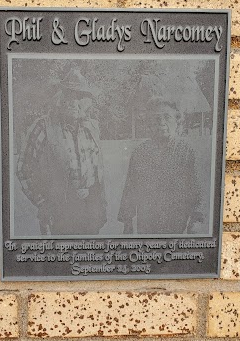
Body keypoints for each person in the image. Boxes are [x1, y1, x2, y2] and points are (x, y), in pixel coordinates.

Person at [17, 67, 107, 236]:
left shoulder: (92, 127)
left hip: (90, 208)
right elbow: (24, 169)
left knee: (89, 256)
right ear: (59, 98)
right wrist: (42, 203)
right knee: (62, 258)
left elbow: (98, 170)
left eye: (80, 97)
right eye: (68, 95)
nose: (73, 102)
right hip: (59, 209)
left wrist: (100, 204)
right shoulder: (43, 126)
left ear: (87, 101)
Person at [118, 96, 203, 235]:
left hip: (176, 222)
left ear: (177, 121)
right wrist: (127, 221)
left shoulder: (188, 152)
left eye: (167, 117)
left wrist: (196, 220)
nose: (161, 122)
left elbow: (197, 189)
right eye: (156, 118)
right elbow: (130, 189)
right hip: (146, 223)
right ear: (149, 123)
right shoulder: (140, 153)